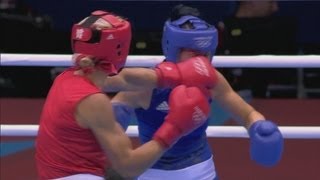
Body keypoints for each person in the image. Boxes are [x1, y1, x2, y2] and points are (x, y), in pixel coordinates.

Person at [35, 10, 214, 180]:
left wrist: (172, 74)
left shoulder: (66, 78)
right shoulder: (93, 101)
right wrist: (175, 128)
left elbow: (126, 79)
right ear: (119, 47)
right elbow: (129, 167)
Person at [111, 4, 284, 180]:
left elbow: (246, 113)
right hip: (153, 171)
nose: (201, 60)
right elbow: (113, 108)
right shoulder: (149, 84)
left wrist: (259, 127)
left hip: (200, 169)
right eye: (193, 53)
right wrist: (116, 117)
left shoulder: (211, 79)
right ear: (174, 49)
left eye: (205, 53)